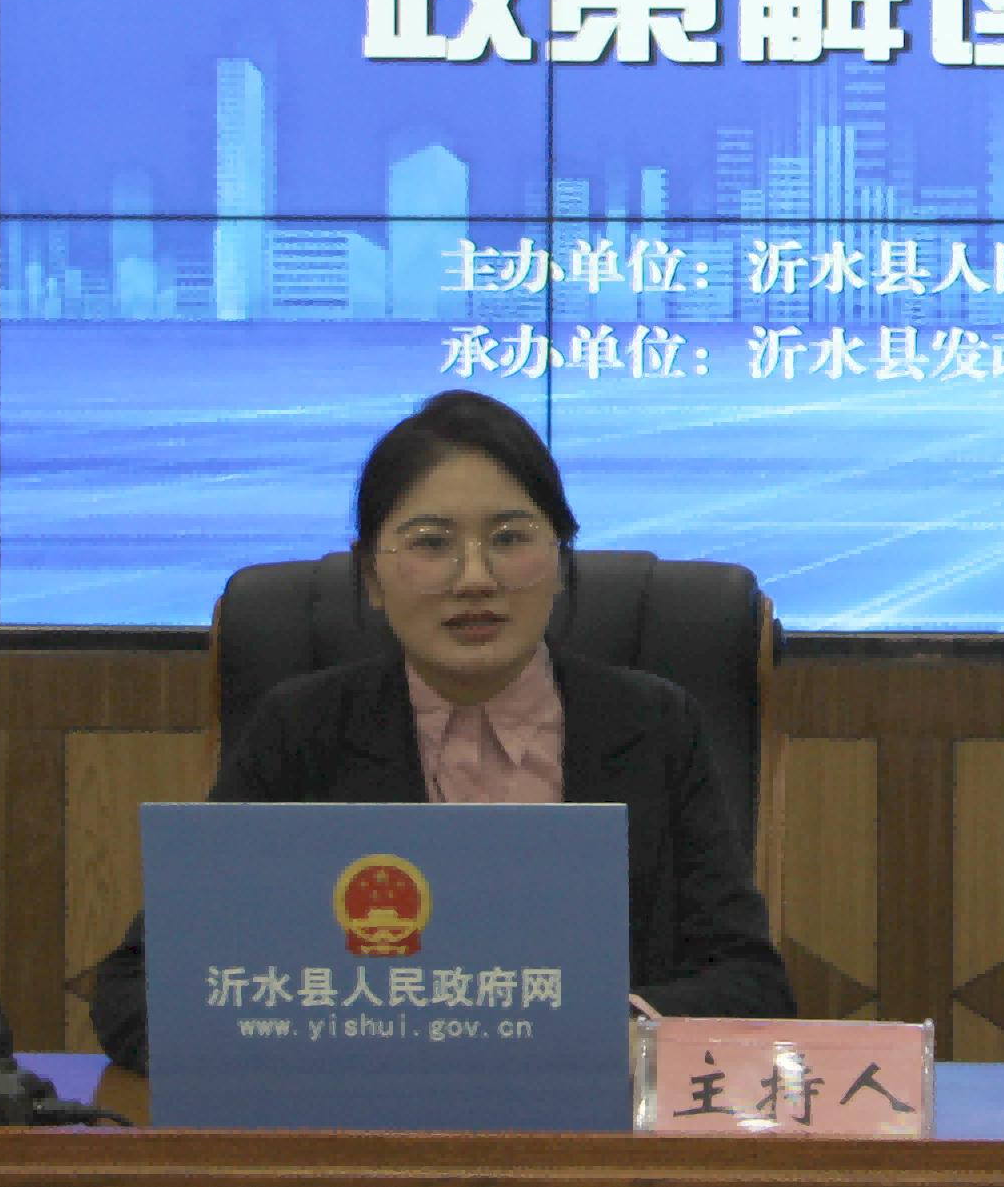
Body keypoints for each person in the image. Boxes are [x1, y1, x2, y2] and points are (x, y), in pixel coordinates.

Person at [89, 390, 794, 1071]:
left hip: (593, 1124)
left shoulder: (654, 726)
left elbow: (750, 983)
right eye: (431, 543)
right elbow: (137, 988)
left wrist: (595, 1034)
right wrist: (323, 1048)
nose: (475, 579)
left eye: (510, 539)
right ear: (370, 576)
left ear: (559, 561)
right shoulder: (301, 730)